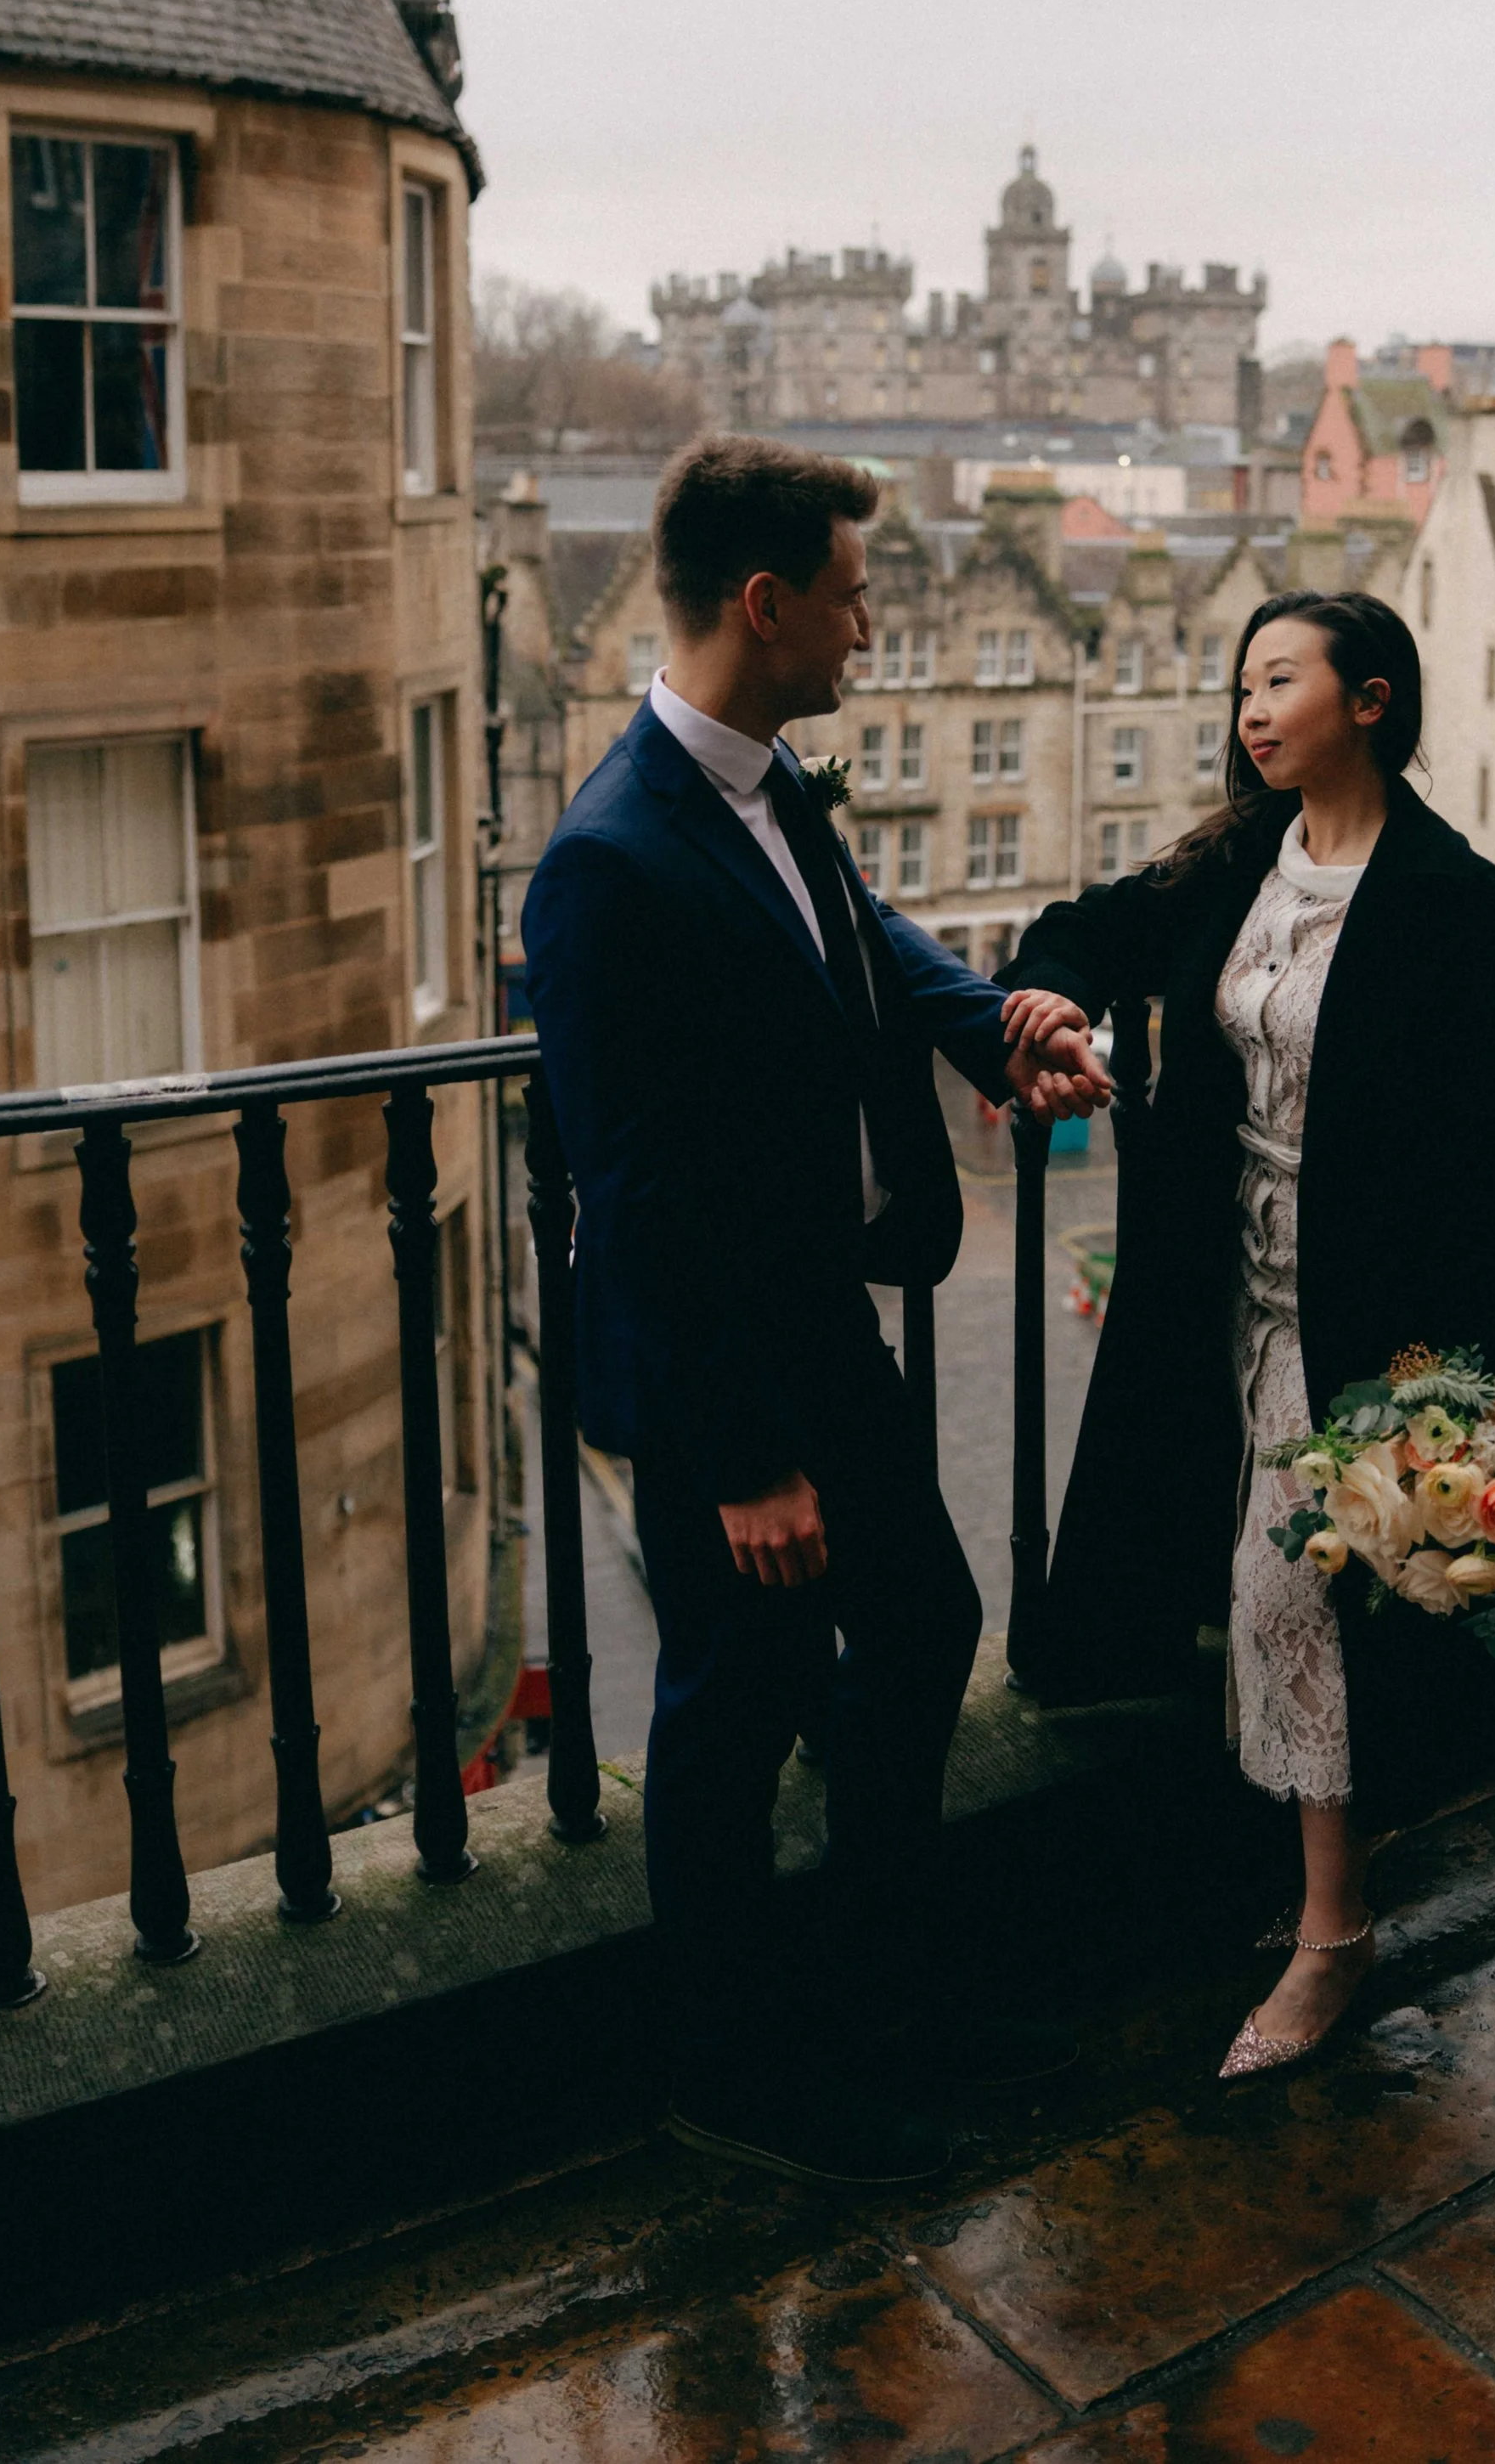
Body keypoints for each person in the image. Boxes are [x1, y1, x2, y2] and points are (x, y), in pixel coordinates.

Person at [522, 433, 1108, 2188]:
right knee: (731, 1713)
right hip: (732, 1386)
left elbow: (856, 931)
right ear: (763, 604)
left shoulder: (765, 787)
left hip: (819, 1334)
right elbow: (632, 1196)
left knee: (920, 1627)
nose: (869, 630)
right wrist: (746, 1460)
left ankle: (881, 1998)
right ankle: (732, 2075)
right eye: (850, 602)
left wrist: (992, 1017)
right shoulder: (609, 860)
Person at [1001, 591, 1495, 2081]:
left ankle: (1332, 1931)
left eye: (1281, 680)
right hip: (1225, 1286)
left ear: (1369, 700)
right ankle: (1318, 1881)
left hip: (1368, 1314)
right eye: (1242, 683)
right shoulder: (1238, 856)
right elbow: (1084, 926)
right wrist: (1045, 997)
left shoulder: (1455, 896)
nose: (1252, 710)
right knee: (1262, 1592)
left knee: (1290, 1595)